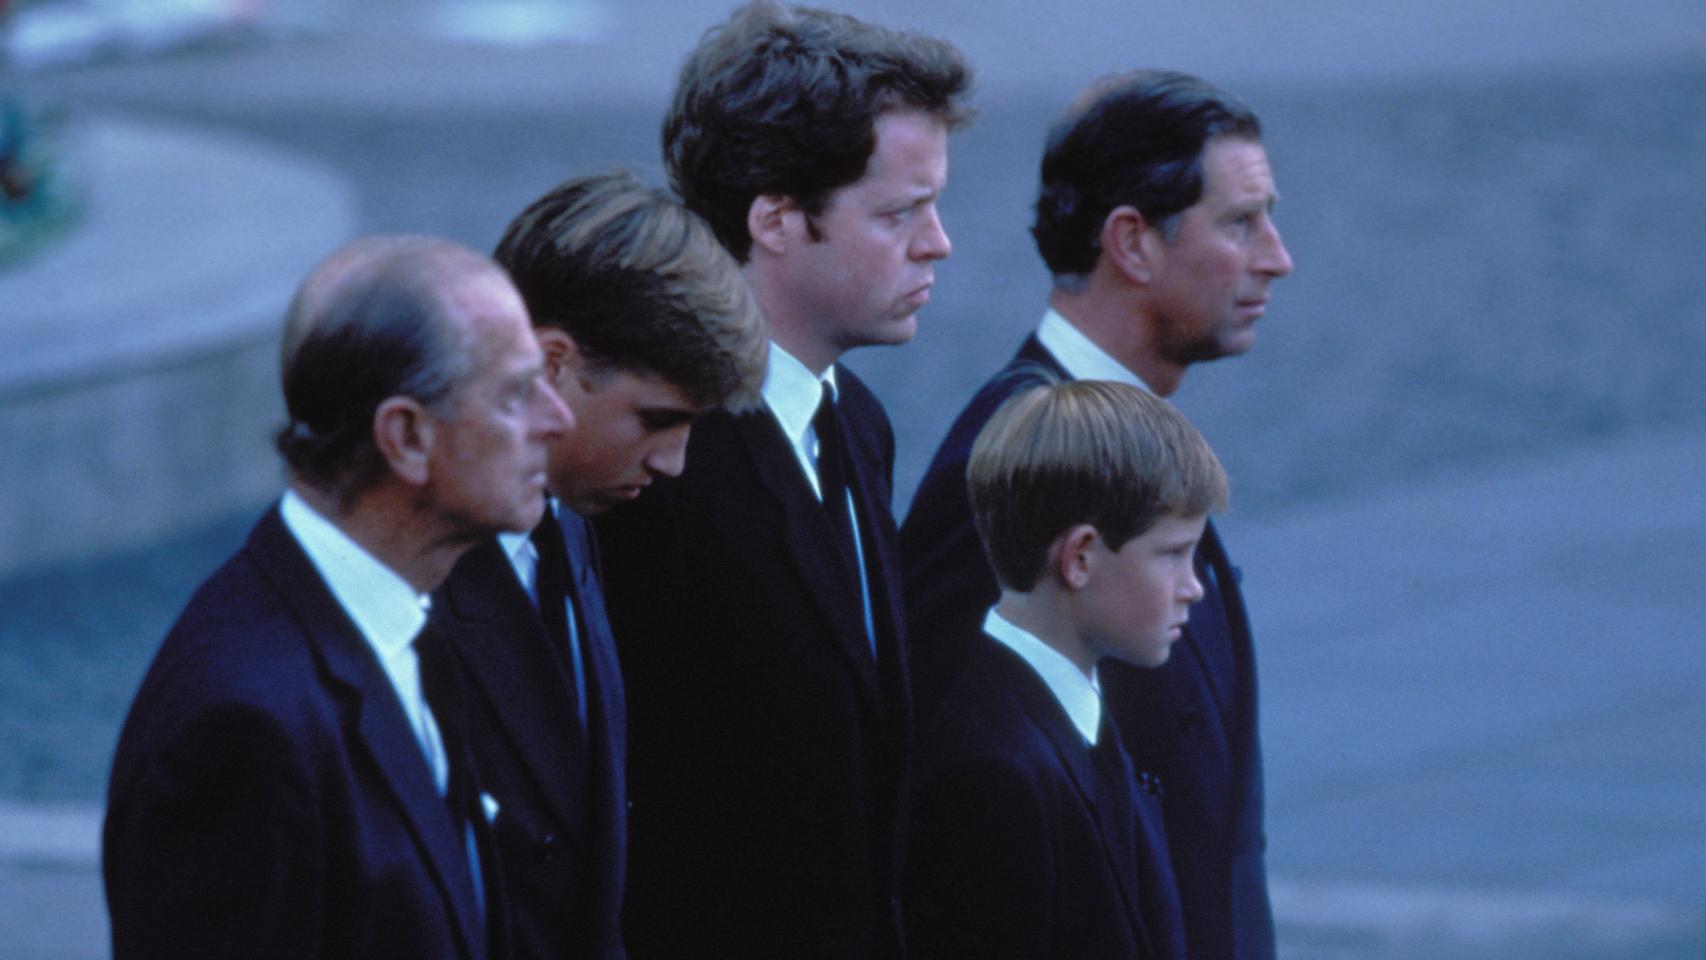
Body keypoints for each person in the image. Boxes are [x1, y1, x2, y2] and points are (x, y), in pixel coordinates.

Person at [590, 3, 973, 956]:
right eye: (899, 213)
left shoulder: (856, 425)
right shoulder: (657, 463)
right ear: (775, 220)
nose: (937, 242)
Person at [899, 69, 1293, 960]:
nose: (1276, 256)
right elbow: (962, 800)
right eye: (1240, 223)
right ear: (1132, 242)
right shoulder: (1012, 465)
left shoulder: (1119, 444)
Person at [103, 236, 574, 960]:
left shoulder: (403, 624)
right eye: (516, 394)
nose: (558, 419)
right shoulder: (244, 724)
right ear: (406, 436)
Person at [433, 170, 766, 960]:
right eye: (656, 420)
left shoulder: (574, 526)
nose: (675, 463)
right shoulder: (420, 577)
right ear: (552, 365)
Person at [908, 379, 1228, 960]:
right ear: (1079, 558)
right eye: (1173, 554)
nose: (1194, 588)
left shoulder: (1071, 722)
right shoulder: (995, 774)